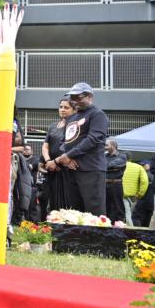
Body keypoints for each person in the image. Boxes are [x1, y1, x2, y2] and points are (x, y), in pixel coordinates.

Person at [56, 83, 109, 216]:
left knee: (94, 209)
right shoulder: (72, 117)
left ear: (89, 96)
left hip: (91, 168)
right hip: (72, 169)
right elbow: (63, 142)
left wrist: (69, 155)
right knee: (75, 210)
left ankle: (95, 231)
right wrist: (67, 158)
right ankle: (77, 231)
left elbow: (94, 139)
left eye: (78, 97)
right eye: (72, 98)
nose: (74, 101)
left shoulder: (97, 114)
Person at [41, 97, 73, 214]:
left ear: (74, 109)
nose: (62, 109)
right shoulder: (53, 126)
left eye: (66, 107)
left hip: (67, 170)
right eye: (61, 107)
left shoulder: (74, 126)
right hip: (52, 169)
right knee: (52, 201)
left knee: (67, 203)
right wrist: (48, 161)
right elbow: (45, 146)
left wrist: (57, 162)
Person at [104, 138, 128, 224]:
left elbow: (113, 164)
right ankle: (107, 224)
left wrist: (105, 167)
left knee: (118, 206)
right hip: (104, 184)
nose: (104, 147)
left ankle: (120, 225)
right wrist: (112, 168)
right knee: (106, 206)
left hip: (116, 184)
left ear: (113, 146)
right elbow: (99, 165)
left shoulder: (122, 155)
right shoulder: (104, 156)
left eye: (106, 145)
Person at [122, 157, 149, 226]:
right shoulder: (139, 167)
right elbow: (144, 181)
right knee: (129, 214)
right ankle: (129, 228)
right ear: (130, 159)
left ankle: (129, 229)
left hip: (121, 194)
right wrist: (140, 194)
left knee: (126, 214)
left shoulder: (120, 165)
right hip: (133, 196)